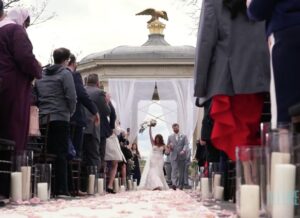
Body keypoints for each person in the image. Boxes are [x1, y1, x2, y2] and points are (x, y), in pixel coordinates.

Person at [193, 0, 270, 161]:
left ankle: (245, 183)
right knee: (255, 141)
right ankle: (254, 182)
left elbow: (205, 42)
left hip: (228, 83)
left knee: (236, 147)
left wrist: (200, 88)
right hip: (259, 79)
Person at [247, 0, 300, 125]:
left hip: (288, 33)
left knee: (285, 116)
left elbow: (258, 10)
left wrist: (250, 5)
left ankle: (285, 144)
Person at [0, 4, 42, 155]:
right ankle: (9, 175)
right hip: (12, 89)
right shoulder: (14, 30)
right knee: (13, 134)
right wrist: (37, 69)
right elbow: (25, 57)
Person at [35, 47, 76, 197]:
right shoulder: (66, 74)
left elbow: (38, 93)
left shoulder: (42, 74)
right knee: (61, 154)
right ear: (66, 61)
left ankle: (47, 188)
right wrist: (70, 112)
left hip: (44, 119)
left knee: (47, 152)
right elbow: (71, 96)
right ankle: (61, 189)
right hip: (60, 118)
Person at [67, 55, 99, 159]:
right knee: (75, 152)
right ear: (72, 63)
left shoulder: (47, 75)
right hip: (74, 119)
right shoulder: (74, 75)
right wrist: (95, 111)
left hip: (54, 119)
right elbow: (81, 94)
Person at [104, 100, 126, 193]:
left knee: (108, 163)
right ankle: (109, 185)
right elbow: (116, 131)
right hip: (110, 140)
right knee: (114, 163)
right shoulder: (112, 118)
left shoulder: (104, 115)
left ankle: (106, 184)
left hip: (107, 140)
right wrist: (121, 130)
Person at [139, 125, 169, 191]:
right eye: (156, 139)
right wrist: (150, 127)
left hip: (160, 160)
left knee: (159, 172)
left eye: (158, 139)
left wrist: (169, 148)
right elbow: (150, 135)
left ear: (160, 139)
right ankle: (156, 185)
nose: (157, 140)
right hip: (153, 159)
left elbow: (167, 153)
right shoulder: (153, 143)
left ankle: (159, 185)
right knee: (152, 171)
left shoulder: (163, 145)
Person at [167, 123, 189, 190]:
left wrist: (184, 150)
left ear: (178, 128)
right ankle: (174, 184)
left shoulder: (184, 136)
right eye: (173, 128)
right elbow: (167, 146)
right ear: (172, 129)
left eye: (176, 128)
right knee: (174, 171)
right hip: (173, 156)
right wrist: (170, 147)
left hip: (182, 156)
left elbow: (186, 144)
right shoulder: (170, 137)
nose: (175, 129)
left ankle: (180, 185)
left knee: (181, 171)